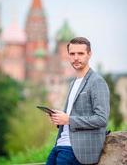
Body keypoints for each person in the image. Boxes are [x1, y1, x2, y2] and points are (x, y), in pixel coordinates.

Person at [46, 37, 110, 165]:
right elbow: (73, 114)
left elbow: (102, 119)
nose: (76, 58)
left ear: (89, 54)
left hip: (77, 150)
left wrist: (68, 119)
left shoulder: (97, 82)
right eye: (72, 54)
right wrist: (59, 119)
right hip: (59, 145)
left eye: (80, 53)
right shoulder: (72, 83)